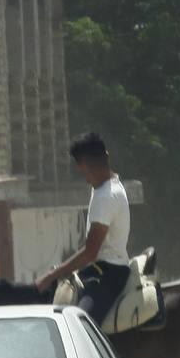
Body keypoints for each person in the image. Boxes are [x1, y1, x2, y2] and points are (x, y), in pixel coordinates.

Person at [34, 132, 132, 325]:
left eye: (82, 171)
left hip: (108, 274)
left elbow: (90, 252)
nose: (85, 178)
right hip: (98, 269)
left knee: (80, 325)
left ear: (85, 166)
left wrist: (52, 275)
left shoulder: (106, 197)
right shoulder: (106, 188)